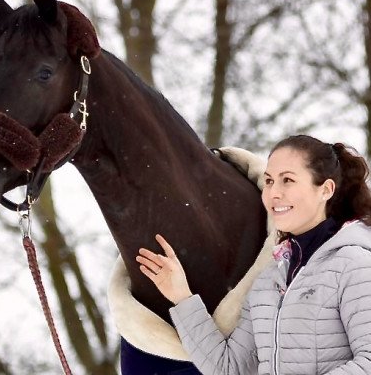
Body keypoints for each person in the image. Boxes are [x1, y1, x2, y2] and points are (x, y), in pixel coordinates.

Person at [136, 135, 371, 374]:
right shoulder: (269, 280)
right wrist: (182, 297)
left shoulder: (355, 265)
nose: (274, 193)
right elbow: (231, 368)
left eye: (287, 180)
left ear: (326, 189)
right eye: (269, 181)